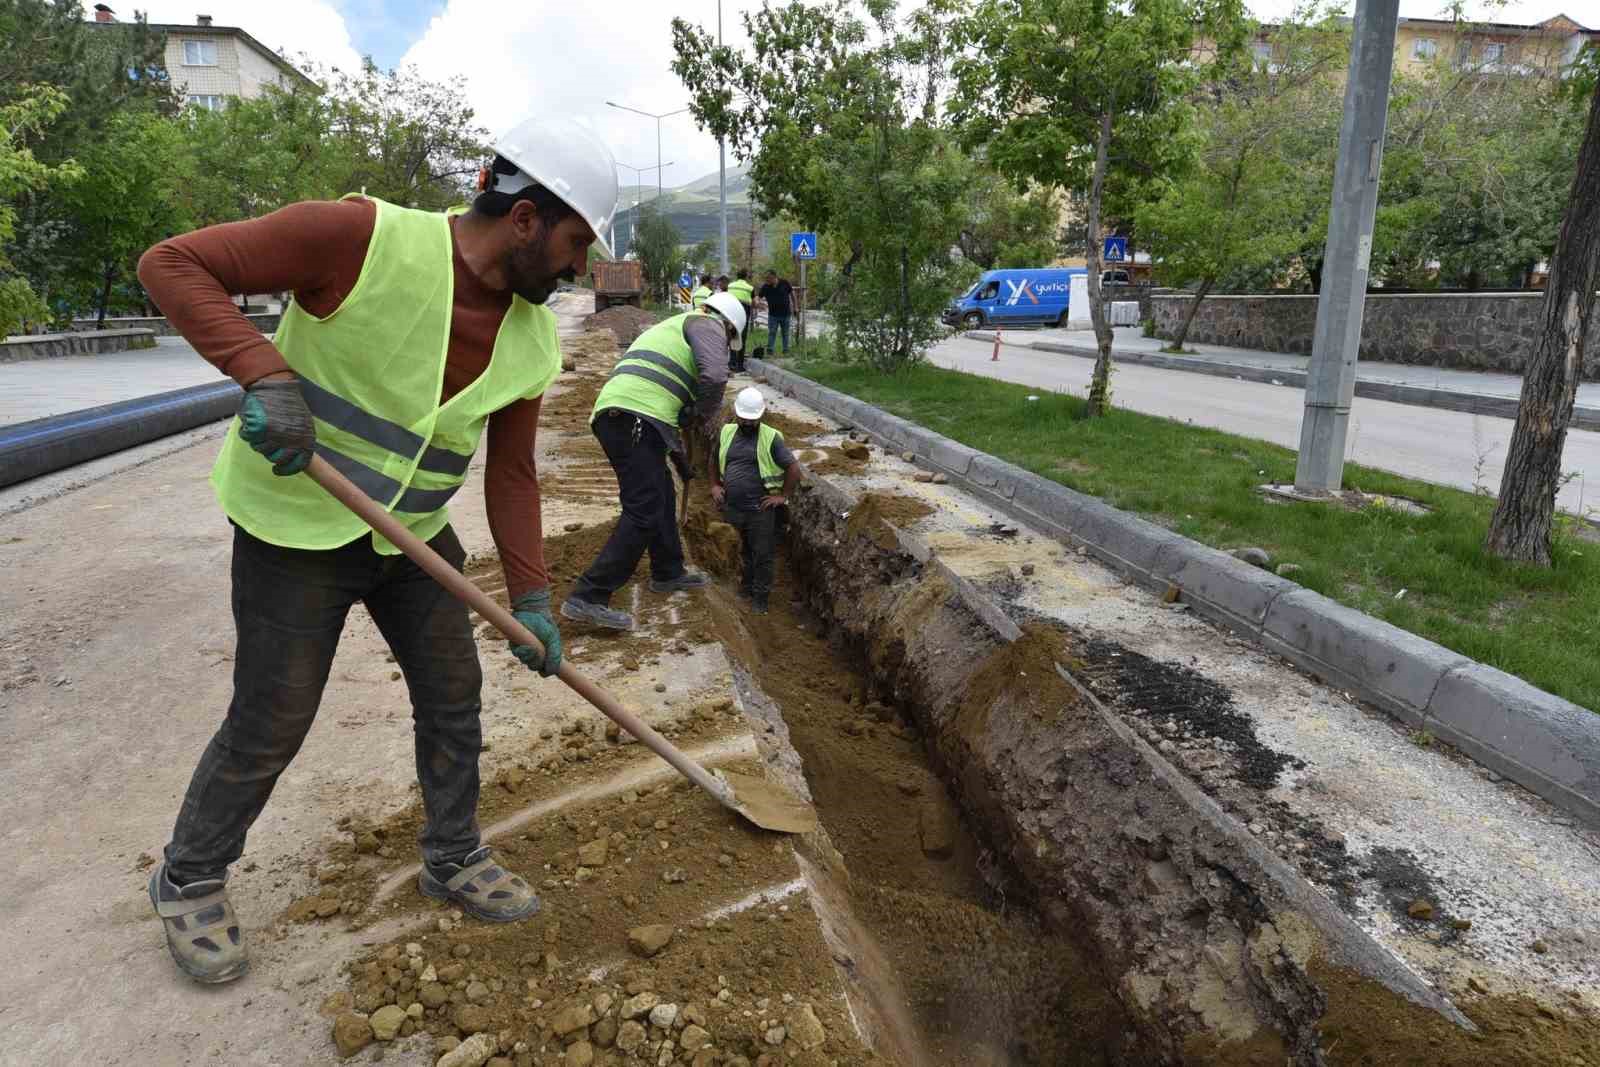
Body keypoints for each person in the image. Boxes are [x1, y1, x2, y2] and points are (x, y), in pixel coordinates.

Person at [135, 117, 618, 985]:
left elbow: (513, 474)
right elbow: (170, 264)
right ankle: (190, 876)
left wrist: (532, 597)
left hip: (414, 534)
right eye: (576, 242)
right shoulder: (360, 238)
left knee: (453, 693)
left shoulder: (531, 337)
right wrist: (264, 372)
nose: (579, 267)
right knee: (273, 715)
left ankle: (453, 852)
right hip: (294, 524)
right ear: (525, 219)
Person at [562, 292, 745, 631]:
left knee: (662, 492)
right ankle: (588, 595)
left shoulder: (675, 327)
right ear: (729, 326)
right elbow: (715, 377)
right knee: (644, 507)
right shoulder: (708, 324)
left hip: (628, 418)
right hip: (633, 418)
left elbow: (661, 403)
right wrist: (698, 414)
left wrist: (680, 461)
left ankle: (668, 570)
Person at [711, 387, 800, 615]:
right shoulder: (727, 432)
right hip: (732, 507)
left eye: (752, 420)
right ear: (736, 414)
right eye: (744, 419)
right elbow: (714, 458)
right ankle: (745, 586)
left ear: (760, 415)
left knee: (762, 554)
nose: (748, 423)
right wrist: (715, 485)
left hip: (760, 510)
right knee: (741, 550)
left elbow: (793, 468)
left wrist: (782, 496)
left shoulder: (771, 438)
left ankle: (760, 598)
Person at [757, 270, 794, 355]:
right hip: (773, 315)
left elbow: (792, 294)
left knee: (785, 333)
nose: (767, 280)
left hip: (786, 314)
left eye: (768, 278)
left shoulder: (784, 283)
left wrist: (795, 306)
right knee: (772, 332)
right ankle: (770, 350)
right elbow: (758, 297)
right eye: (766, 278)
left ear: (774, 277)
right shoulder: (765, 286)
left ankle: (786, 350)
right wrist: (758, 303)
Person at [727, 269, 755, 373]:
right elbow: (754, 303)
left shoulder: (730, 286)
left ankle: (732, 363)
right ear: (746, 276)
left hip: (731, 315)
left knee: (733, 337)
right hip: (743, 316)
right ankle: (740, 365)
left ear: (737, 276)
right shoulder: (750, 288)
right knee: (742, 338)